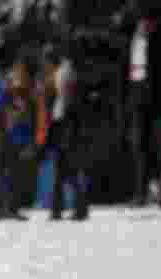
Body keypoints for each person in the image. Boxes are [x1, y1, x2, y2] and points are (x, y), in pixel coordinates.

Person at [125, 11, 161, 206]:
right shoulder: (131, 42)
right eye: (140, 24)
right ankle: (141, 192)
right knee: (138, 146)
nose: (143, 27)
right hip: (137, 96)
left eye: (147, 24)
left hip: (158, 100)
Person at [0, 61, 39, 221]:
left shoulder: (25, 100)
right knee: (1, 175)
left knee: (13, 176)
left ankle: (9, 208)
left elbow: (26, 123)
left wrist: (28, 142)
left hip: (15, 142)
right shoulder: (2, 97)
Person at [44, 41, 90, 222]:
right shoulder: (64, 70)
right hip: (64, 121)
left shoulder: (64, 71)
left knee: (64, 168)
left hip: (65, 122)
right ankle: (69, 207)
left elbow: (67, 99)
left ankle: (69, 208)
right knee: (64, 169)